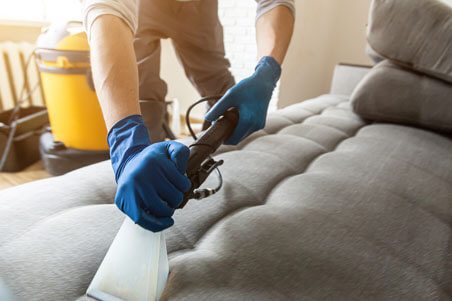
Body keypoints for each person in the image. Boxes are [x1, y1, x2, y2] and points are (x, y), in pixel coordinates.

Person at [81, 0, 295, 232]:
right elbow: (108, 13)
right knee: (143, 100)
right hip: (142, 6)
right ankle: (146, 198)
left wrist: (268, 71)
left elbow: (275, 2)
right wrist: (126, 142)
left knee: (222, 92)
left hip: (198, 9)